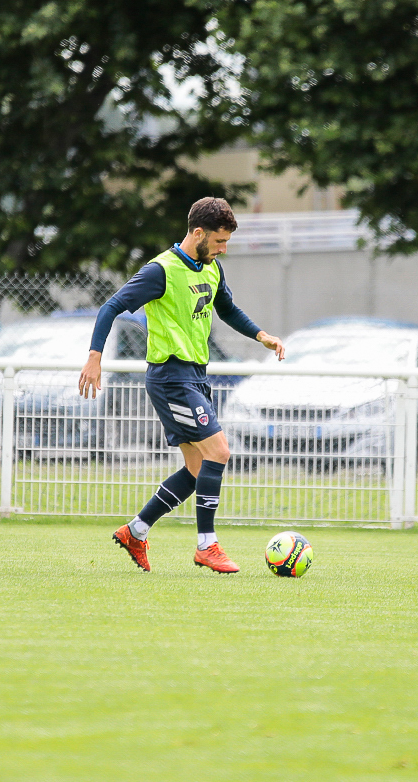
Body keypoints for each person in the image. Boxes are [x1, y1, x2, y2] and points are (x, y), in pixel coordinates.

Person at [78, 197, 286, 572]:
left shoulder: (212, 268)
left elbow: (227, 309)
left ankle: (136, 531)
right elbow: (111, 306)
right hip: (171, 377)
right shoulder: (161, 270)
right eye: (219, 241)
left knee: (196, 468)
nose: (223, 249)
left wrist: (261, 335)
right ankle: (207, 545)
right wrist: (95, 357)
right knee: (219, 451)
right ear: (198, 233)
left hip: (195, 376)